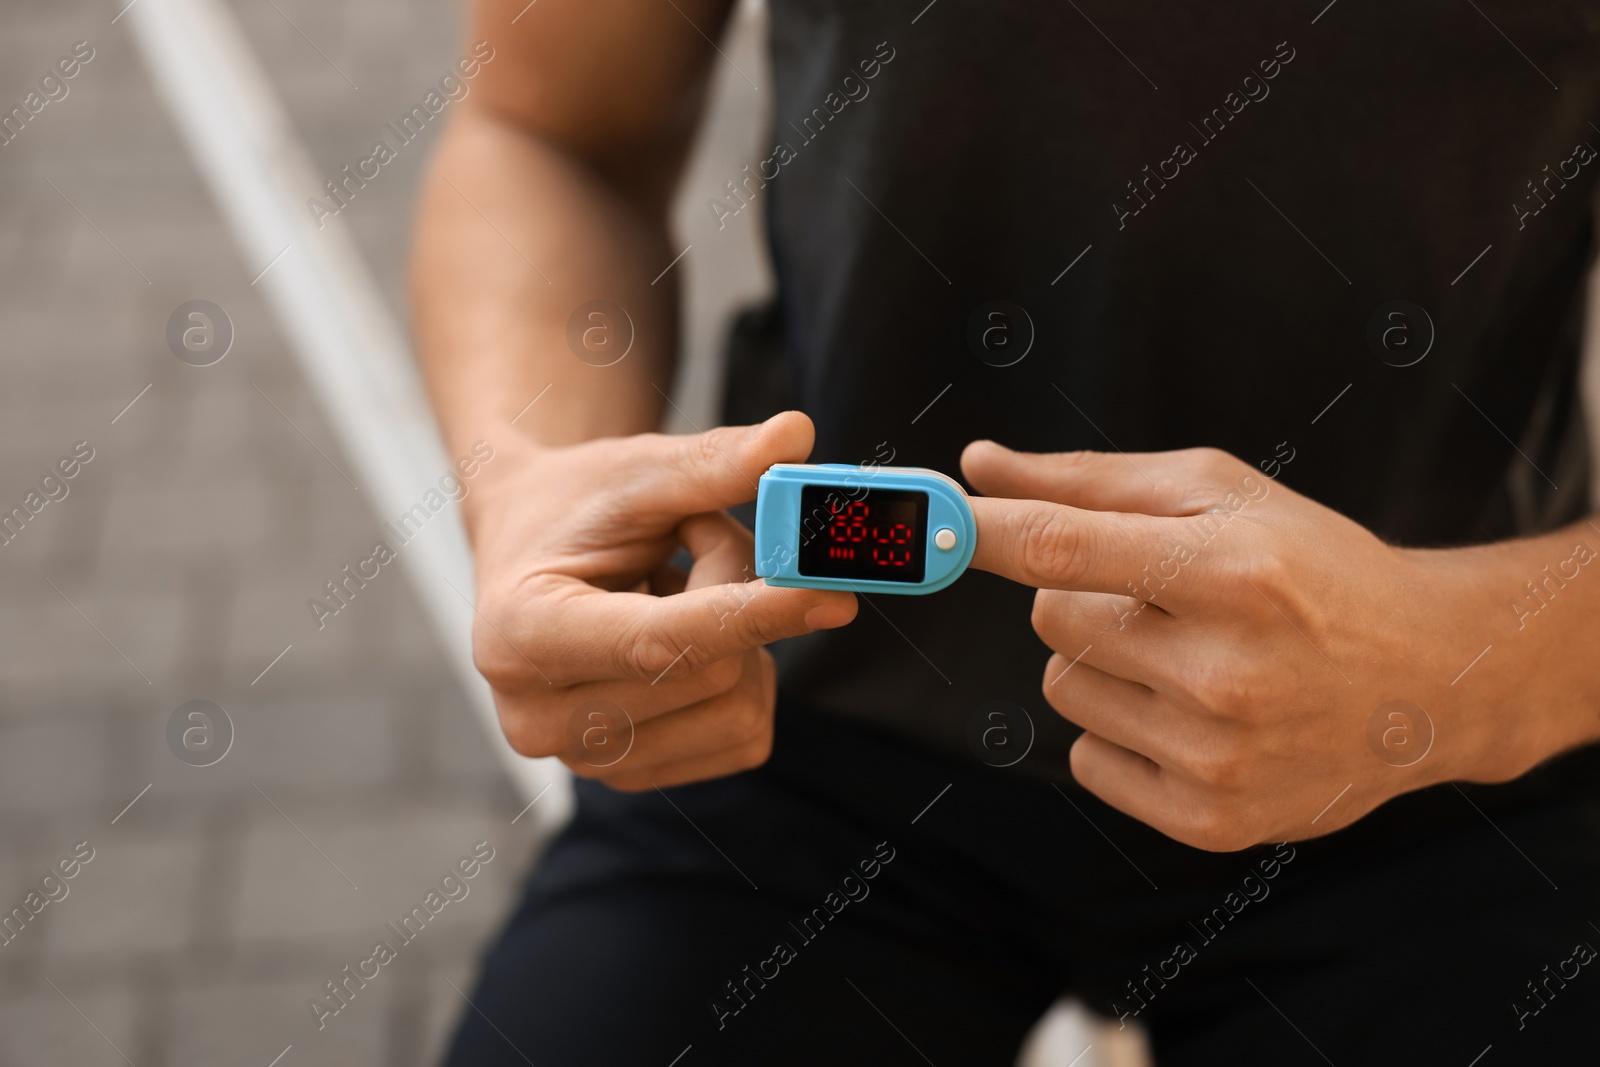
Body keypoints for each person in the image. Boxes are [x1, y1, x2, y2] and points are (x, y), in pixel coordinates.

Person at [415, 1, 1600, 1063]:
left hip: (1437, 757)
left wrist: (1466, 668)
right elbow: (546, 131)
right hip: (797, 716)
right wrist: (523, 483)